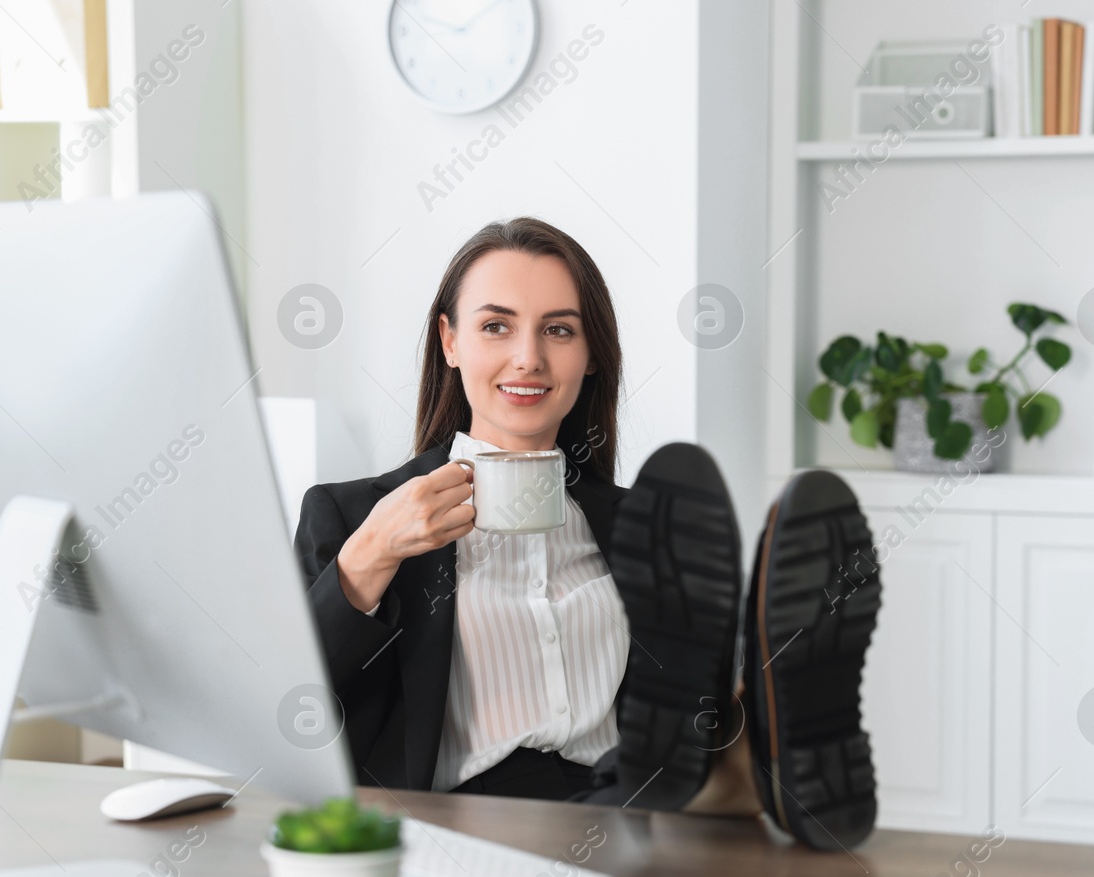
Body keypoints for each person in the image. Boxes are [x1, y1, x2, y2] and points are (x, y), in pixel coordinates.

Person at [295, 218, 881, 845]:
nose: (529, 357)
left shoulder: (645, 526)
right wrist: (371, 556)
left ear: (591, 351)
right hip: (458, 827)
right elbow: (296, 712)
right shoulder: (357, 516)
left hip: (616, 814)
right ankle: (735, 774)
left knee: (677, 747)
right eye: (496, 326)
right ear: (450, 340)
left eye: (559, 329)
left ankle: (745, 727)